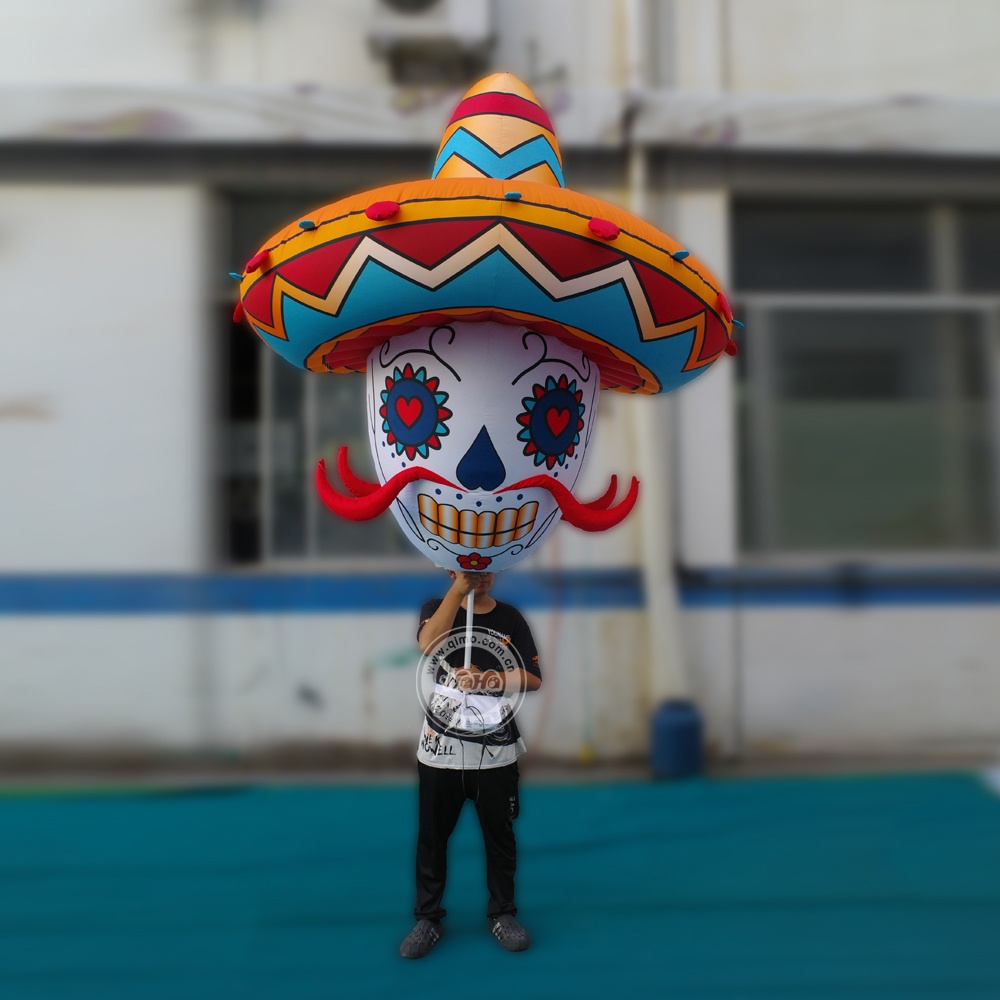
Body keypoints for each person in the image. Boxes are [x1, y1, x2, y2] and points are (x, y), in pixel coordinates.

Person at [399, 569, 542, 960]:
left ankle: (503, 913)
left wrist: (488, 679)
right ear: (451, 569)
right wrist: (459, 589)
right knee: (432, 838)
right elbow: (428, 644)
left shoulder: (510, 618)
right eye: (470, 568)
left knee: (500, 837)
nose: (481, 575)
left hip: (495, 754)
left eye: (486, 567)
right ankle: (427, 918)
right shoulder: (436, 608)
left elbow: (532, 677)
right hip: (439, 751)